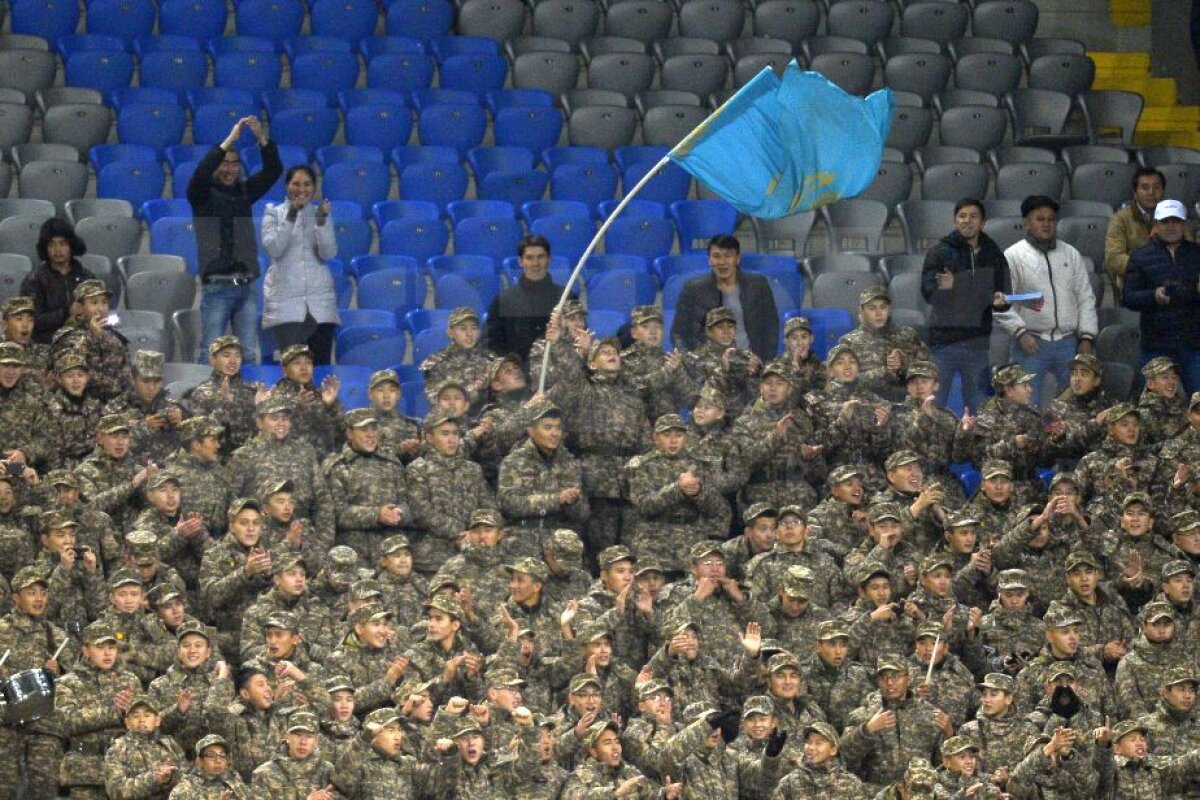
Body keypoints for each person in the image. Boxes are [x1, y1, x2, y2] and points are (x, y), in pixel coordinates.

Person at [187, 116, 282, 363]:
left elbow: (273, 171)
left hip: (246, 286)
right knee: (211, 351)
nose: (229, 169)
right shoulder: (201, 195)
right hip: (217, 287)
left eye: (235, 164)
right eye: (224, 163)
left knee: (248, 354)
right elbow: (201, 173)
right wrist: (228, 142)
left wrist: (262, 140)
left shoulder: (244, 192)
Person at [994, 195, 1098, 407]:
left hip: (1069, 343)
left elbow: (1085, 297)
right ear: (1026, 222)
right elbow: (1000, 303)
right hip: (1031, 342)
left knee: (1074, 404)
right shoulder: (1013, 256)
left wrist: (1087, 337)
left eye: (1051, 219)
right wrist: (1020, 333)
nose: (1047, 224)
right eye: (1040, 219)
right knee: (1027, 404)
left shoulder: (1071, 254)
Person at [919, 198, 1011, 411]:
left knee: (979, 408)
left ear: (982, 223)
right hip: (944, 343)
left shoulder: (993, 254)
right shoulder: (940, 252)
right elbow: (929, 295)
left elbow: (1005, 297)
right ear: (954, 221)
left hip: (977, 344)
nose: (967, 221)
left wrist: (999, 303)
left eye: (973, 216)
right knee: (934, 405)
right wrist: (946, 289)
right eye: (962, 216)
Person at [260, 165, 338, 365]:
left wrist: (321, 222)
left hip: (319, 305)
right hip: (286, 303)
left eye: (307, 184)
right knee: (293, 369)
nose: (301, 189)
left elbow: (328, 253)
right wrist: (292, 214)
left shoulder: (321, 213)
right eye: (296, 183)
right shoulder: (273, 213)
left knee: (320, 369)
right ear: (287, 186)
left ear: (314, 187)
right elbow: (274, 249)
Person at [1121, 198, 1200, 394]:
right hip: (1156, 343)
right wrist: (1153, 296)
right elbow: (1128, 297)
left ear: (1183, 224)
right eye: (1165, 222)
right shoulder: (1140, 256)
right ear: (1156, 224)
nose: (1171, 227)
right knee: (1152, 404)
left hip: (1193, 342)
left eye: (1176, 221)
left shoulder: (1197, 254)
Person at [671, 234, 780, 361]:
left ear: (738, 258)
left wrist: (763, 362)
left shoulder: (758, 285)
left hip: (751, 363)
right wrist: (693, 363)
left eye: (728, 256)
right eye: (716, 256)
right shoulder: (693, 289)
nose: (722, 262)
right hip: (709, 366)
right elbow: (678, 333)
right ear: (709, 260)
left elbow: (770, 327)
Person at [484, 234, 565, 367]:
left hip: (558, 371)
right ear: (520, 261)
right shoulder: (504, 299)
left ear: (549, 259)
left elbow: (576, 337)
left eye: (541, 257)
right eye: (529, 258)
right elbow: (492, 344)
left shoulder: (565, 297)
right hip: (516, 374)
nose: (535, 263)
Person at [20, 217, 94, 344]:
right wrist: (66, 312)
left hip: (84, 343)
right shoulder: (34, 280)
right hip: (47, 345)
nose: (57, 249)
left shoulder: (86, 277)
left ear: (71, 245)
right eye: (51, 244)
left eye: (62, 243)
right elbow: (32, 320)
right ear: (45, 248)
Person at [1104, 166, 1167, 295]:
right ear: (1135, 192)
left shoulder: (1173, 216)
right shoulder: (1120, 219)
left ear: (1163, 191)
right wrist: (1147, 268)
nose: (1151, 192)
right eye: (1145, 188)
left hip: (1169, 277)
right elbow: (1114, 258)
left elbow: (1187, 250)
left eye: (1156, 187)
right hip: (1135, 280)